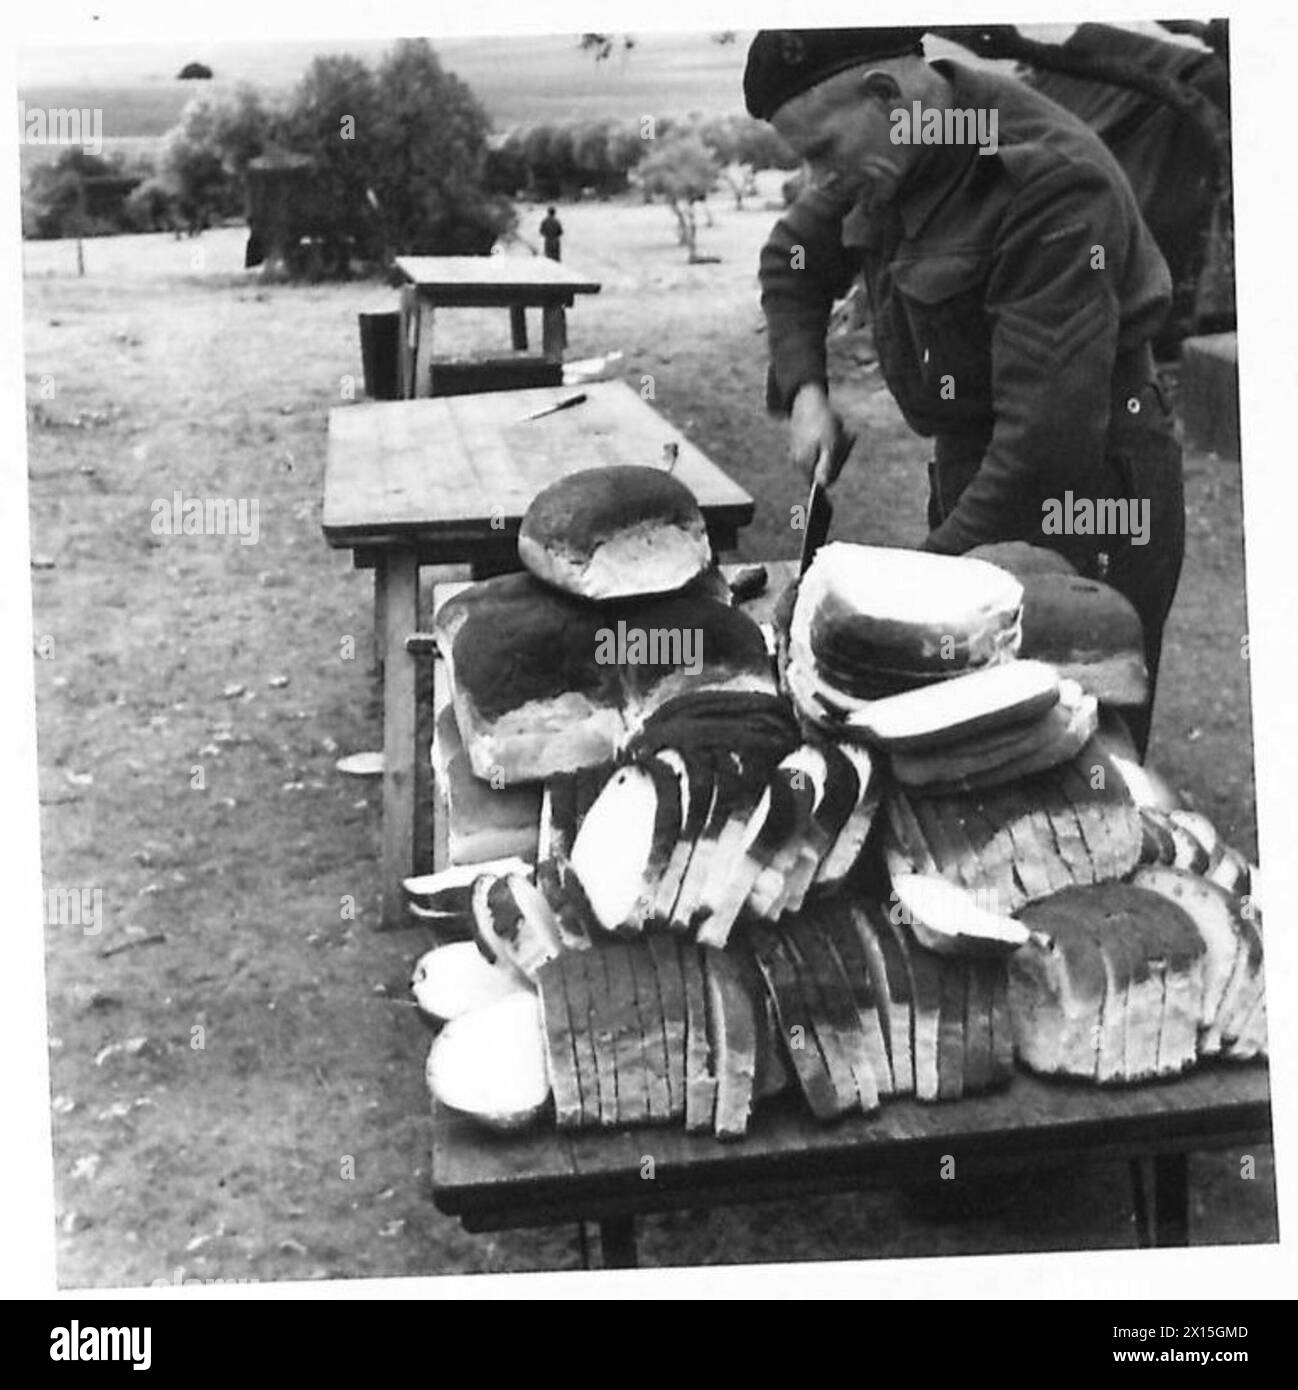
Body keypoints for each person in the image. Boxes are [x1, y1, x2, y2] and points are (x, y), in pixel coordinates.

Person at [747, 27, 1184, 758]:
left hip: (1088, 487)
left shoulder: (1046, 180)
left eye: (823, 151)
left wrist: (894, 593)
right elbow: (791, 261)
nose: (820, 178)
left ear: (886, 94)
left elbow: (1045, 448)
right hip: (974, 465)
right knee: (955, 734)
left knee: (1069, 742)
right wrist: (806, 392)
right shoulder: (895, 147)